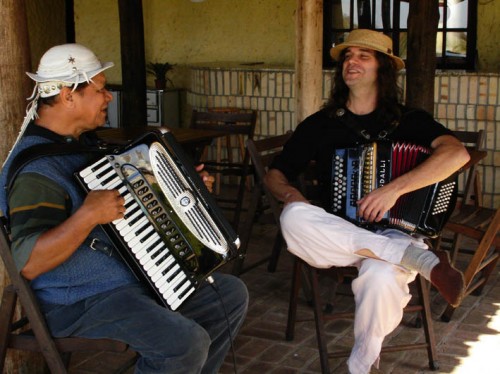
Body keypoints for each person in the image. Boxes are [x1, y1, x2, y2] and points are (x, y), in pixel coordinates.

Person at [0, 44, 248, 374]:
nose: (109, 97)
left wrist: (185, 192)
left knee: (229, 295)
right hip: (78, 301)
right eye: (100, 89)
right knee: (184, 344)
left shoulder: (81, 147)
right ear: (67, 95)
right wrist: (87, 216)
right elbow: (28, 263)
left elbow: (134, 206)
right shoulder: (37, 173)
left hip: (127, 280)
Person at [264, 29, 470, 374]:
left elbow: (456, 153)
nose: (351, 61)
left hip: (394, 231)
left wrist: (394, 190)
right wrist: (292, 195)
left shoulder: (408, 120)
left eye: (363, 55)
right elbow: (275, 174)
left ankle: (361, 366)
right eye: (347, 55)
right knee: (293, 217)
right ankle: (416, 259)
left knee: (380, 278)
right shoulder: (320, 125)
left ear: (383, 68)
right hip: (335, 235)